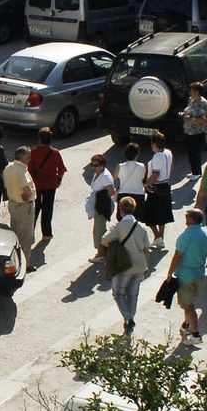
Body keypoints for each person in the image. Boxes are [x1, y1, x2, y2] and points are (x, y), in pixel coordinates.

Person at [103, 197, 153, 333]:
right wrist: (146, 265)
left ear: (121, 210)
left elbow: (105, 240)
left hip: (124, 265)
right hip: (140, 265)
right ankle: (130, 320)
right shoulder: (141, 226)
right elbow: (146, 249)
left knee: (119, 293)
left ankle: (127, 318)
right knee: (133, 294)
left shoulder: (118, 227)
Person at [166, 208, 207, 344]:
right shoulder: (206, 233)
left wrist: (170, 273)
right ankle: (186, 324)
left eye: (187, 215)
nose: (185, 217)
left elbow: (178, 256)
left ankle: (195, 335)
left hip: (186, 275)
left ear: (192, 219)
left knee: (188, 305)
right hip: (199, 273)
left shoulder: (186, 236)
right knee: (191, 302)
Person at [27, 127, 68, 242]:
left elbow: (29, 170)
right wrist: (58, 181)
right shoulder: (55, 153)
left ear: (39, 139)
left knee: (34, 209)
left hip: (36, 184)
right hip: (50, 185)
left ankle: (30, 234)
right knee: (47, 209)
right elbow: (61, 169)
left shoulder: (33, 152)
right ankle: (47, 233)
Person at [3, 147, 38, 264]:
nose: (30, 159)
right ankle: (24, 264)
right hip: (24, 207)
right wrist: (27, 196)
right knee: (26, 238)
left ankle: (15, 261)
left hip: (13, 204)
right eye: (28, 157)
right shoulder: (21, 170)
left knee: (15, 234)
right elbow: (26, 189)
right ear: (22, 158)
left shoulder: (8, 168)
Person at [140, 129, 174, 249]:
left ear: (155, 144)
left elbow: (155, 175)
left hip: (156, 187)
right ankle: (160, 237)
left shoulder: (157, 156)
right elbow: (170, 168)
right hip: (165, 185)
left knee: (149, 213)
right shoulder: (168, 153)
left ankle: (157, 236)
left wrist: (146, 185)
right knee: (162, 213)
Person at [84, 154, 117, 253]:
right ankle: (103, 251)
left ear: (102, 165)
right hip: (98, 204)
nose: (93, 167)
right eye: (92, 165)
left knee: (99, 230)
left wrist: (101, 198)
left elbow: (111, 191)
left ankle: (101, 253)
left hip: (103, 206)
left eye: (96, 165)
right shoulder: (98, 173)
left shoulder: (105, 177)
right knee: (99, 229)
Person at [180, 82, 207, 176]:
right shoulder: (190, 100)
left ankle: (197, 172)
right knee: (190, 152)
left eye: (192, 90)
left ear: (197, 92)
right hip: (188, 130)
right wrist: (183, 114)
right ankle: (194, 171)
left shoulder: (203, 103)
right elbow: (188, 111)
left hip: (198, 131)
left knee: (195, 152)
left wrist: (191, 119)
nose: (190, 92)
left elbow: (204, 119)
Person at [115, 142, 147, 217]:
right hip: (139, 195)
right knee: (138, 218)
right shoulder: (142, 166)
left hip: (124, 194)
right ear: (137, 154)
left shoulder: (120, 166)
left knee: (122, 218)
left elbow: (115, 177)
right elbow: (143, 178)